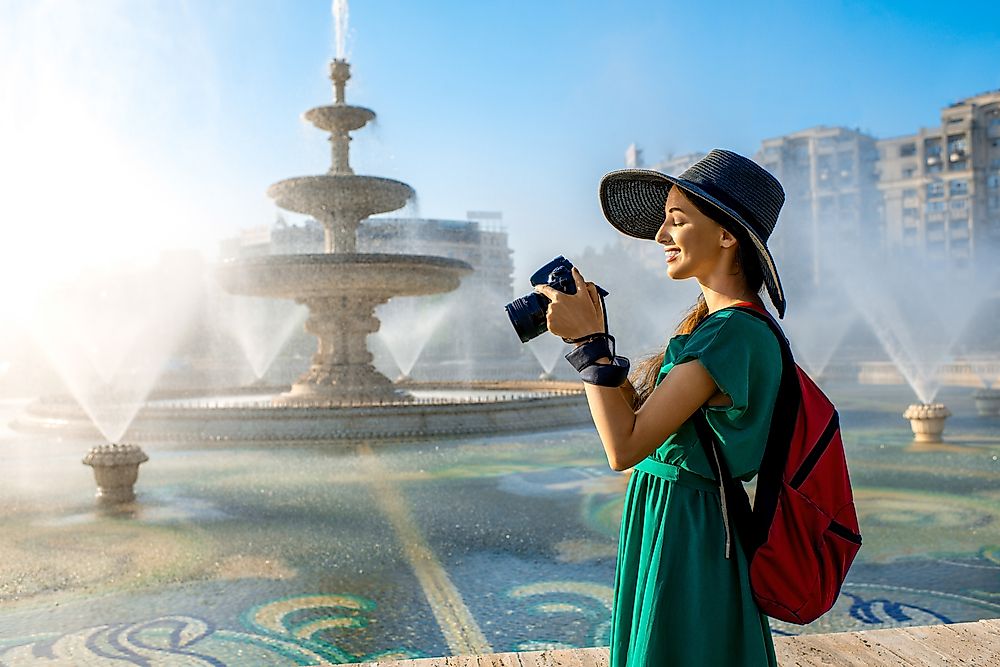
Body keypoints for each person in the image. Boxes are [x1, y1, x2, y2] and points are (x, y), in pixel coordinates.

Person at [534, 150, 786, 666]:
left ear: (726, 235)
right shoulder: (716, 328)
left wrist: (589, 344)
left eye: (676, 221)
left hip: (688, 528)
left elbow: (623, 446)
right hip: (676, 516)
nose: (659, 237)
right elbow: (642, 425)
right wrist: (596, 340)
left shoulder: (732, 333)